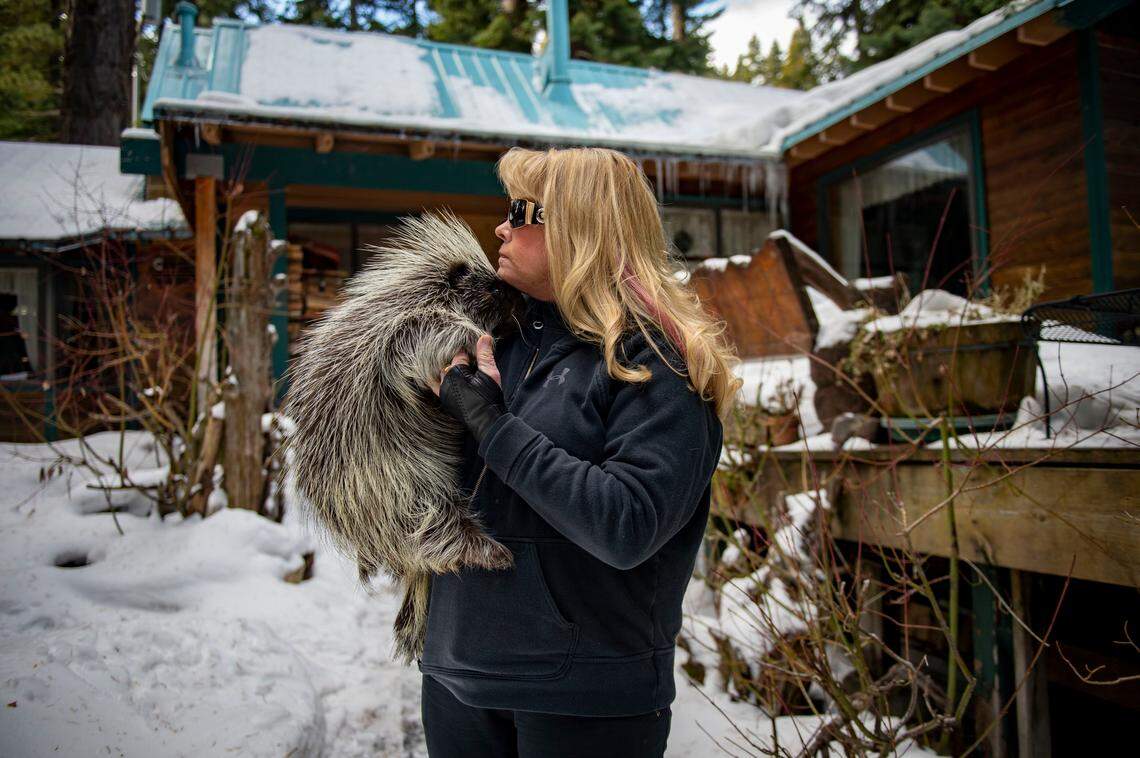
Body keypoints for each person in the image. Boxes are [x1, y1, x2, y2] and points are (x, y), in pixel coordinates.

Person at [421, 146, 741, 758]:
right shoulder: (495, 345)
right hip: (460, 679)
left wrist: (490, 422)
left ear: (579, 224)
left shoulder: (656, 362)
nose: (501, 227)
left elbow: (626, 523)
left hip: (585, 698)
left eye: (521, 211)